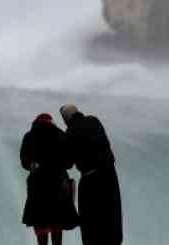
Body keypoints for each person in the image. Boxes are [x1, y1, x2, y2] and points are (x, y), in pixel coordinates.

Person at [60, 104, 123, 245]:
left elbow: (68, 162)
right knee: (111, 218)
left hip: (91, 180)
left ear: (65, 120)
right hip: (109, 175)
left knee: (90, 223)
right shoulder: (94, 120)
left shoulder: (71, 133)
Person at [20, 113, 79, 245]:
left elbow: (24, 162)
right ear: (51, 122)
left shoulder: (29, 136)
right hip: (58, 183)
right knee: (57, 224)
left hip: (37, 185)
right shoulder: (61, 135)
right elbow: (69, 163)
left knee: (41, 225)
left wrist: (32, 164)